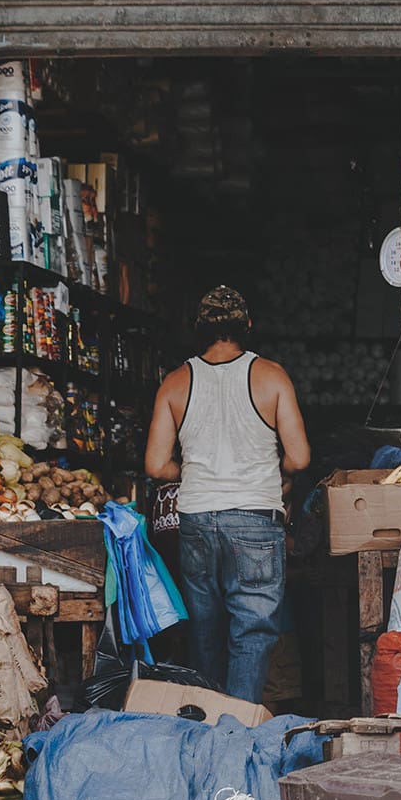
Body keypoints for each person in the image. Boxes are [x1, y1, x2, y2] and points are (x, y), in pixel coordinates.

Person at [144, 285, 311, 703]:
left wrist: (191, 469)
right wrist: (281, 471)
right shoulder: (271, 376)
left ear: (199, 330)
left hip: (198, 520)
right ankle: (237, 733)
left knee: (205, 630)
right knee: (251, 632)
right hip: (255, 518)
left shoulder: (176, 382)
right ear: (247, 326)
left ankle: (208, 725)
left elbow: (155, 465)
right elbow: (300, 457)